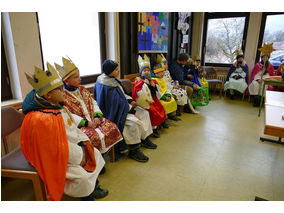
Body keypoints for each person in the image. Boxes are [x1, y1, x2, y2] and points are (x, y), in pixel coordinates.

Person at [21, 63, 107, 201]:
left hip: (68, 149)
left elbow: (71, 128)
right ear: (48, 94)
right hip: (53, 157)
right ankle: (87, 197)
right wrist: (80, 157)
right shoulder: (41, 118)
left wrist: (84, 142)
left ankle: (93, 187)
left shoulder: (55, 106)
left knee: (95, 153)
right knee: (82, 176)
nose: (64, 92)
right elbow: (53, 148)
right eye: (60, 90)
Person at [55, 57, 123, 155]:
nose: (80, 79)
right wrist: (86, 123)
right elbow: (68, 114)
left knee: (112, 127)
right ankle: (94, 158)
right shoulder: (62, 96)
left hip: (94, 119)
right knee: (90, 137)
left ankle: (105, 153)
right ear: (66, 81)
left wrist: (97, 116)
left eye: (79, 76)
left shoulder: (82, 89)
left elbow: (93, 102)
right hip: (80, 125)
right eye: (76, 77)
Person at [94, 59, 157, 163]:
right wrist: (132, 111)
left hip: (123, 107)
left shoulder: (112, 79)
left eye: (118, 69)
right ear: (109, 70)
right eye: (116, 70)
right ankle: (134, 149)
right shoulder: (105, 84)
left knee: (144, 113)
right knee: (133, 122)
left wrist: (131, 100)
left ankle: (145, 138)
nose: (118, 71)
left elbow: (122, 94)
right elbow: (116, 104)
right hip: (113, 113)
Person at [132, 54, 168, 133]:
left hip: (153, 98)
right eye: (144, 71)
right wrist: (145, 84)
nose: (146, 72)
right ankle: (154, 128)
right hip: (145, 101)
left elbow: (157, 90)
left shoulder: (151, 80)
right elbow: (138, 93)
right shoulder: (138, 81)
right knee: (153, 110)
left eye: (148, 71)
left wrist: (153, 85)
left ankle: (162, 122)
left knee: (160, 107)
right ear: (141, 72)